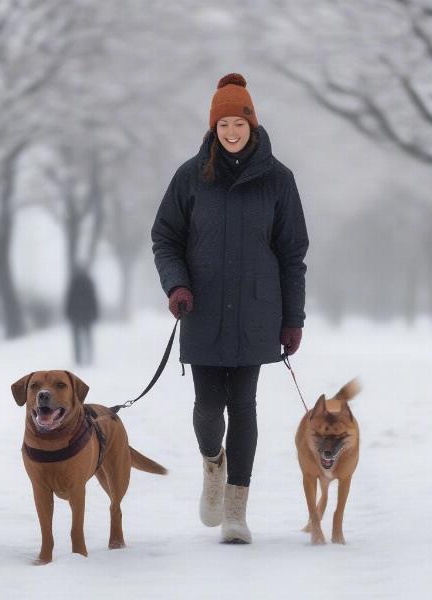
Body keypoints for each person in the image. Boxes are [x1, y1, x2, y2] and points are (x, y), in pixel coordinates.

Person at [151, 73, 309, 544]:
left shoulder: (279, 181)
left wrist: (292, 318)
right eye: (224, 124)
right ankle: (212, 463)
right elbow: (165, 238)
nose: (232, 131)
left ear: (252, 124)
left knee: (243, 406)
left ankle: (236, 509)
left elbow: (292, 253)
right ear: (213, 128)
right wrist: (177, 285)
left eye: (239, 122)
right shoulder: (189, 176)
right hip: (201, 309)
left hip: (258, 312)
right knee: (207, 405)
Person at [64, 266, 99, 365]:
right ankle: (89, 356)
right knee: (87, 335)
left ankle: (78, 358)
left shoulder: (74, 282)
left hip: (76, 314)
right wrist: (95, 313)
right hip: (87, 315)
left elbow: (69, 299)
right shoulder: (89, 282)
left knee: (77, 338)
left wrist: (68, 313)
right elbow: (93, 300)